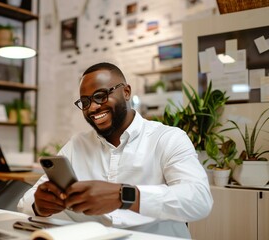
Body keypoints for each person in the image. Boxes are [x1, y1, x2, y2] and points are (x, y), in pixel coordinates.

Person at [18, 62, 213, 238]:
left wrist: (124, 196)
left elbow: (199, 199)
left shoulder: (168, 138)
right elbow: (25, 203)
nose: (93, 107)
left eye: (101, 96)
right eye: (85, 102)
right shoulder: (77, 145)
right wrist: (39, 205)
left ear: (126, 92)